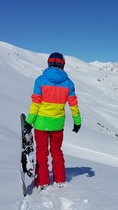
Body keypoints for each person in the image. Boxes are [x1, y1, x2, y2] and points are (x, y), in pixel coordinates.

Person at [24, 52, 81, 190]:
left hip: (41, 125)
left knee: (42, 153)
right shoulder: (68, 83)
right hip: (57, 124)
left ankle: (42, 182)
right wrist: (77, 121)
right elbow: (73, 104)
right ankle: (60, 179)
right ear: (63, 64)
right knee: (57, 151)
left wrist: (29, 121)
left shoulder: (40, 80)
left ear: (49, 63)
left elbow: (36, 103)